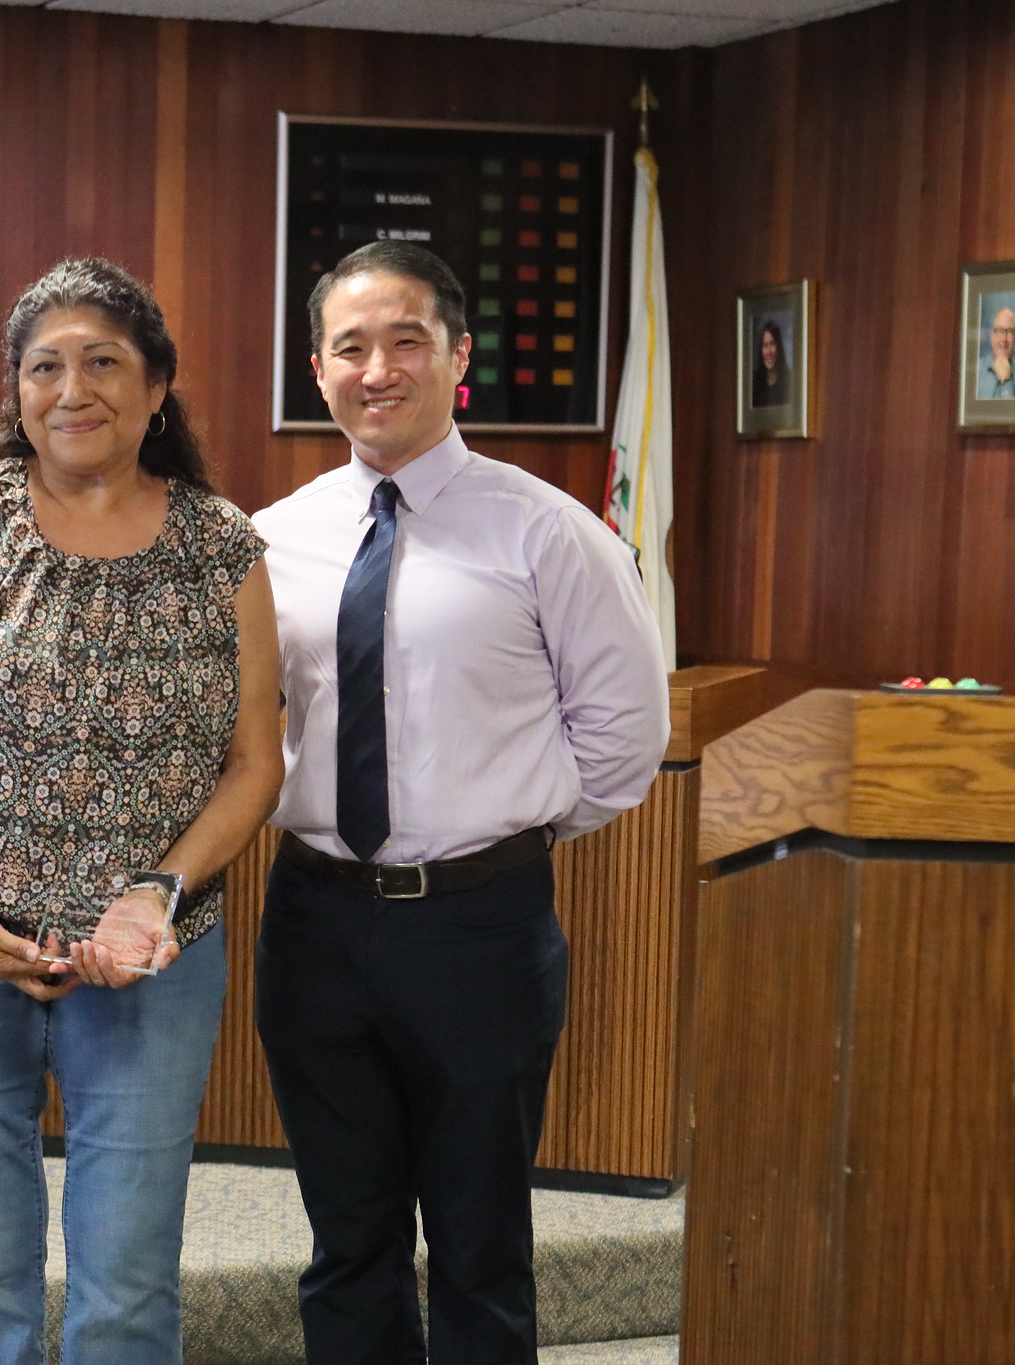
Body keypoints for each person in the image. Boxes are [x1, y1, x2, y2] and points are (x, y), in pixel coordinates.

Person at [251, 240, 669, 1365]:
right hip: (315, 922)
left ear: (457, 358)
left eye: (405, 341)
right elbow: (250, 732)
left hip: (478, 928)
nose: (375, 368)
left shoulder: (550, 533)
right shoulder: (271, 538)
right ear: (317, 368)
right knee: (346, 1241)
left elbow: (625, 741)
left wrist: (492, 833)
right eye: (349, 347)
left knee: (480, 1246)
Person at [0, 257, 283, 1365]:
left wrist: (154, 893)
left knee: (128, 1275)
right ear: (14, 391)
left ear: (157, 388)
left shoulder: (220, 543)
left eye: (103, 361)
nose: (72, 387)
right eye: (44, 366)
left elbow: (253, 762)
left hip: (152, 956)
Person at [980, 305, 1015, 398]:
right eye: (999, 331)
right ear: (992, 337)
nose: (1003, 339)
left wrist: (1006, 381)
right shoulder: (978, 368)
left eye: (1009, 332)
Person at [750, 317, 790, 407]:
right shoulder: (754, 383)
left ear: (779, 347)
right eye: (765, 345)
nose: (768, 352)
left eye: (772, 344)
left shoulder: (790, 379)